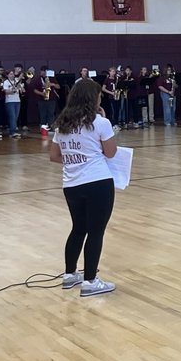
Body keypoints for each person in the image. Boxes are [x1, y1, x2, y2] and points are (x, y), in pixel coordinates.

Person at [49, 78, 117, 297]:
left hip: (71, 184)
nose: (100, 99)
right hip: (98, 182)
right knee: (96, 231)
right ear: (92, 98)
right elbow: (111, 153)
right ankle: (90, 281)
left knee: (78, 228)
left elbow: (54, 156)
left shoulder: (62, 123)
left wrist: (76, 159)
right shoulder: (100, 122)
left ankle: (70, 274)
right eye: (99, 96)